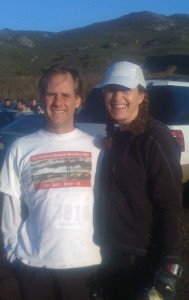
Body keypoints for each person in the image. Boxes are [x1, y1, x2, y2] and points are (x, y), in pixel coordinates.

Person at [0, 64, 101, 300]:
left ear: (78, 100)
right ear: (41, 97)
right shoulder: (20, 148)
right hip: (34, 268)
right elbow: (9, 209)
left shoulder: (97, 147)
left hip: (87, 265)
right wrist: (14, 254)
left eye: (66, 95)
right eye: (51, 94)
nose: (58, 102)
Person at [94, 61, 183, 300]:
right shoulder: (113, 138)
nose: (117, 97)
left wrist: (170, 268)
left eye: (126, 90)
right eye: (111, 89)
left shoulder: (155, 139)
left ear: (141, 95)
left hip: (142, 260)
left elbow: (170, 204)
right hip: (111, 254)